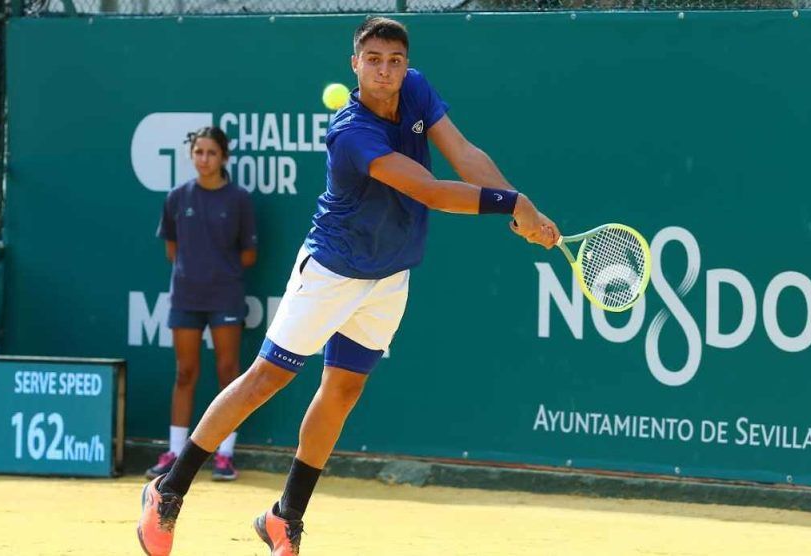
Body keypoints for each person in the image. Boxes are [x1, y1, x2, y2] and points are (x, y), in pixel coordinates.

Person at [137, 16, 558, 556]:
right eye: (374, 60)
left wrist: (525, 209)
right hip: (332, 272)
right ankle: (168, 490)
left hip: (389, 277)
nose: (386, 72)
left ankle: (285, 516)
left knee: (343, 390)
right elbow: (428, 191)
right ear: (354, 64)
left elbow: (465, 153)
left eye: (396, 61)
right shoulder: (351, 132)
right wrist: (511, 205)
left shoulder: (417, 90)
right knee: (266, 379)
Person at [146, 126, 257, 483]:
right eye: (198, 152)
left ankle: (225, 455)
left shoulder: (238, 199)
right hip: (186, 296)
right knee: (185, 372)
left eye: (211, 153)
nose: (204, 159)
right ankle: (176, 452)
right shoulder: (177, 197)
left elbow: (249, 254)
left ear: (223, 157)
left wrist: (217, 274)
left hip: (225, 295)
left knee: (229, 373)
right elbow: (170, 251)